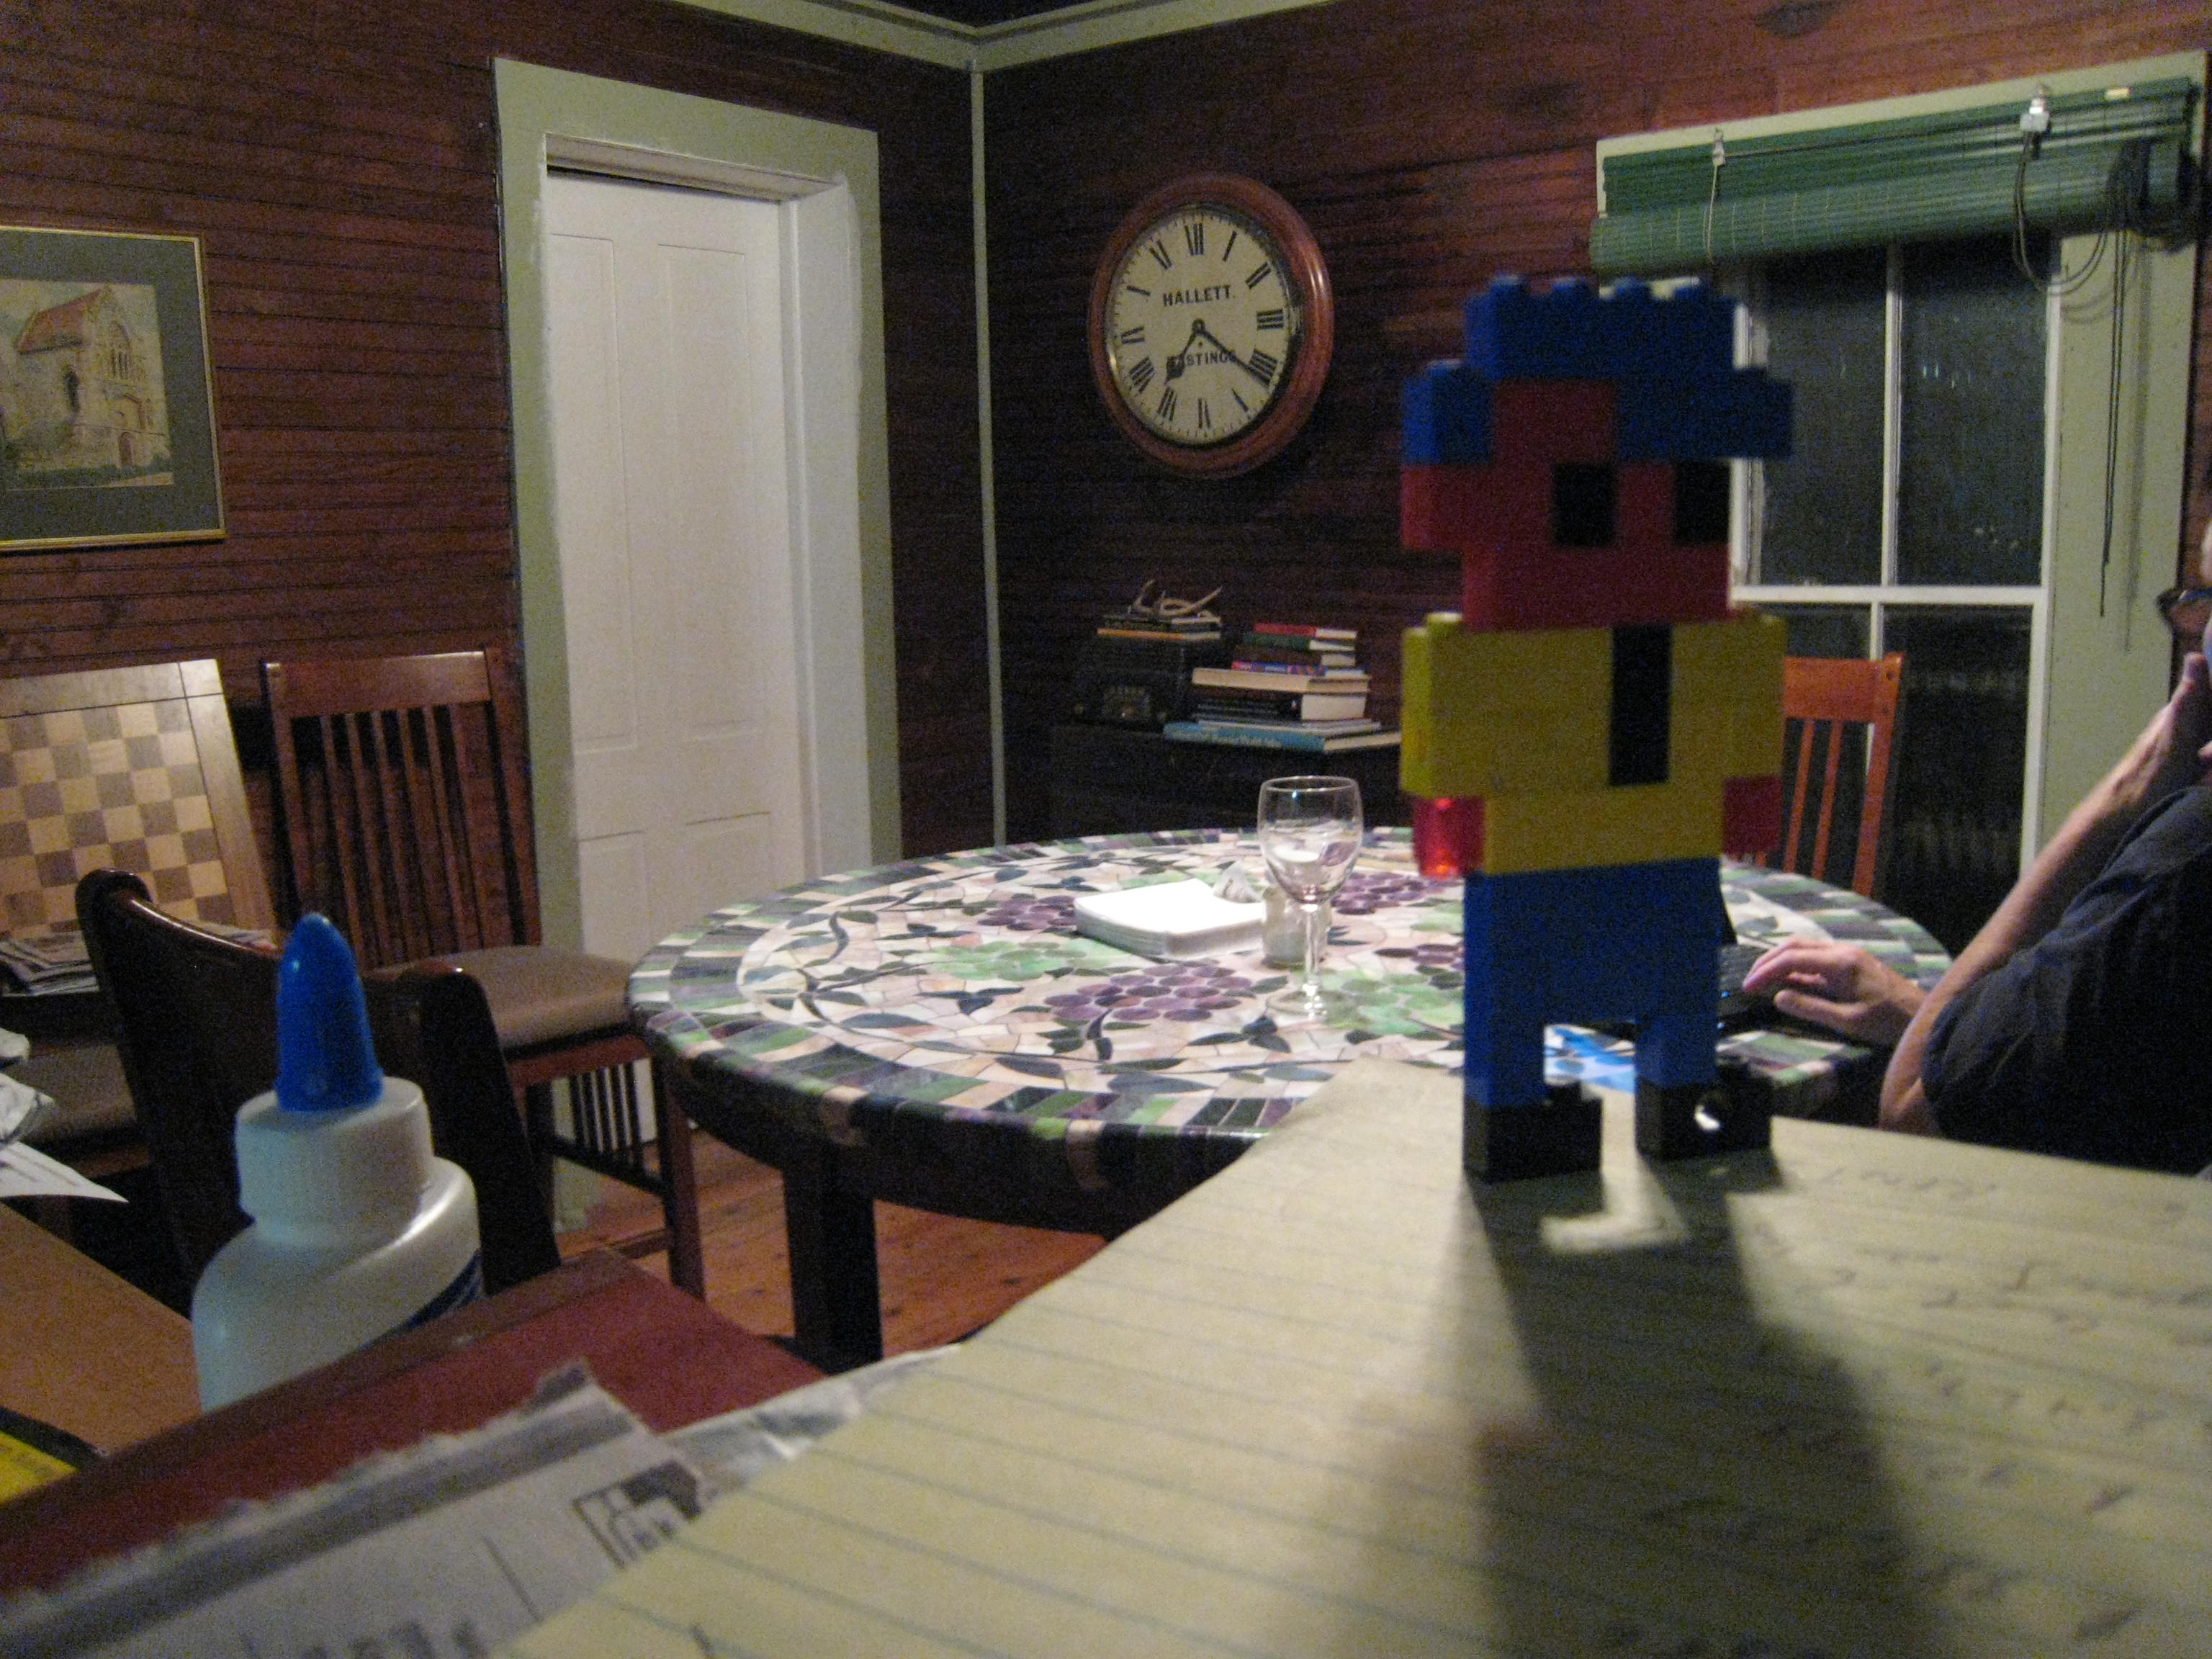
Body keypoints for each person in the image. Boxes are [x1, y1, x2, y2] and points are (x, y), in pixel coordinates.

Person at [1741, 560, 2212, 1174]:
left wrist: (2134, 782)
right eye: (2197, 599)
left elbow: (1912, 1111)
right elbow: (2105, 1080)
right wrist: (1933, 1020)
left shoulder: (2191, 857)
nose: (2197, 640)